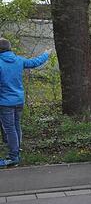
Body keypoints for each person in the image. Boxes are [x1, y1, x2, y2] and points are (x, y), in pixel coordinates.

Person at [0, 39, 51, 167]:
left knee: (9, 129)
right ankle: (16, 151)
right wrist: (46, 54)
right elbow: (35, 62)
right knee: (16, 126)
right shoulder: (19, 60)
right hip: (19, 100)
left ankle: (13, 156)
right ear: (9, 48)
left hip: (5, 102)